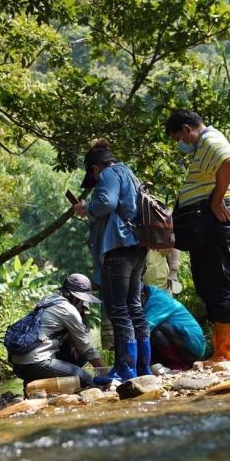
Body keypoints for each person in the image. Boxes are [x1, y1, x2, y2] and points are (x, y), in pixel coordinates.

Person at [164, 110, 230, 363]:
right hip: (206, 225)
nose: (180, 145)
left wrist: (218, 199)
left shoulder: (210, 139)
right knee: (208, 283)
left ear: (187, 129)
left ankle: (227, 352)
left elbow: (227, 161)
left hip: (214, 224)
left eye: (178, 139)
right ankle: (221, 348)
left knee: (217, 283)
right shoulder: (204, 146)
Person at [73, 139, 150, 384]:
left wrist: (87, 209)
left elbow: (106, 202)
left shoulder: (108, 174)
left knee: (118, 309)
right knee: (134, 307)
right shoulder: (129, 173)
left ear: (96, 167)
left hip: (117, 247)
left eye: (93, 174)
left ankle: (126, 369)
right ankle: (143, 368)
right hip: (137, 247)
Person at [8, 273, 104, 388]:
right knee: (86, 378)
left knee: (78, 357)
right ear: (74, 297)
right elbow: (86, 348)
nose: (82, 303)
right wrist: (103, 373)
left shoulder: (48, 300)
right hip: (36, 363)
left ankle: (33, 385)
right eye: (81, 299)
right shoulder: (68, 310)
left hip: (18, 366)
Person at [141, 284, 206, 370]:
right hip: (181, 342)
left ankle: (178, 364)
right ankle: (163, 364)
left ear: (142, 294)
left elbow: (144, 328)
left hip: (192, 348)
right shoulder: (150, 299)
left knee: (153, 331)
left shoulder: (159, 300)